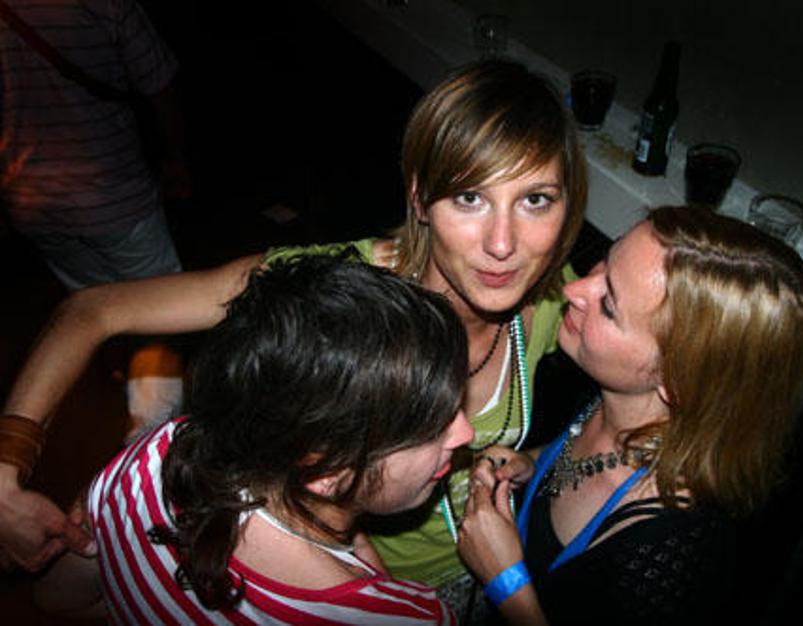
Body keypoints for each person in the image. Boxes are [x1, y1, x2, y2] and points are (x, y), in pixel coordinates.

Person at [0, 58, 587, 608]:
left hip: (477, 572)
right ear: (420, 199)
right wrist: (5, 471)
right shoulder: (332, 291)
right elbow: (95, 310)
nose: (503, 244)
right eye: (470, 197)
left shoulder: (552, 294)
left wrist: (531, 460)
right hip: (329, 593)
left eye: (536, 200)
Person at [34, 254, 472, 623]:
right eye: (429, 426)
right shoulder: (402, 617)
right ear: (325, 472)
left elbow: (59, 599)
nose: (465, 433)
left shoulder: (155, 457)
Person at [457, 206, 803, 625]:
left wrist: (507, 585)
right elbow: (581, 459)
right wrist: (532, 463)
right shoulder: (610, 401)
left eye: (609, 305)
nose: (575, 290)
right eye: (605, 263)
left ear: (676, 381)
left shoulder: (670, 554)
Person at [0, 0, 189, 291]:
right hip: (113, 194)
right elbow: (160, 86)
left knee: (95, 301)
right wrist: (175, 159)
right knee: (164, 300)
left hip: (31, 199)